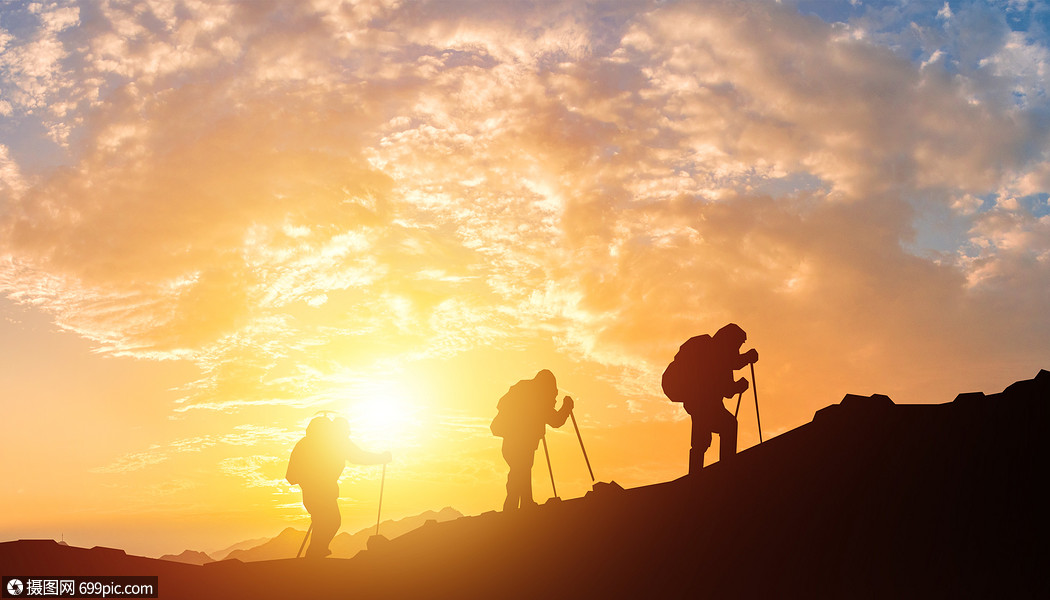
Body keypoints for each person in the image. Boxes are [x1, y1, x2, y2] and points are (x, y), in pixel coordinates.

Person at [286, 415, 391, 558]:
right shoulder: (337, 442)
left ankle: (315, 554)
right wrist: (382, 458)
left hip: (312, 493)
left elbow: (293, 475)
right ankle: (315, 556)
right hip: (322, 493)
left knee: (324, 522)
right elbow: (358, 456)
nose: (348, 435)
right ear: (340, 430)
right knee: (331, 521)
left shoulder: (309, 442)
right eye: (347, 431)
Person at [662, 323, 758, 475]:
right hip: (701, 401)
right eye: (737, 344)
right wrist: (743, 370)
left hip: (701, 401)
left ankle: (698, 473)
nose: (737, 349)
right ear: (730, 341)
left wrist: (738, 382)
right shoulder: (715, 353)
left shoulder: (712, 350)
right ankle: (724, 468)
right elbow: (727, 384)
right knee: (726, 427)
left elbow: (726, 384)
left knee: (704, 438)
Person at [490, 369, 574, 510]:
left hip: (511, 443)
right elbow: (555, 421)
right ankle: (513, 509)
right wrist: (566, 407)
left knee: (521, 471)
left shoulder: (525, 390)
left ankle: (524, 504)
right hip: (522, 444)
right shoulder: (538, 397)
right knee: (520, 471)